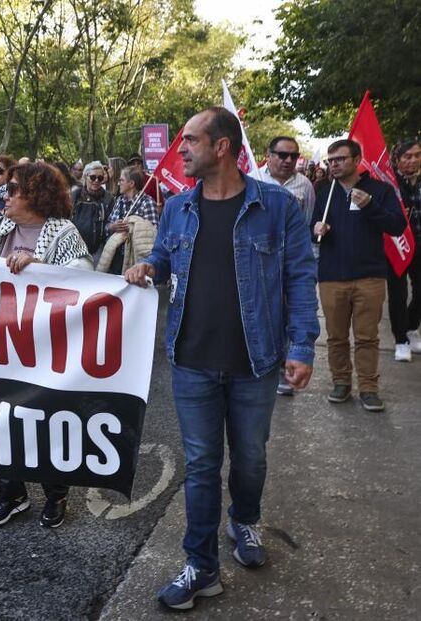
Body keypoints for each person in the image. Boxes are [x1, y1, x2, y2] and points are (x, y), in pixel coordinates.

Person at [125, 107, 319, 610]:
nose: (180, 149)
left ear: (222, 147)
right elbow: (167, 259)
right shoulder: (177, 208)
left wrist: (301, 348)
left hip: (256, 362)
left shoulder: (277, 207)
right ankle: (201, 566)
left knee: (251, 459)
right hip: (191, 360)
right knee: (202, 464)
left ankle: (245, 521)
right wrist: (148, 265)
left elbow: (300, 278)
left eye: (190, 140)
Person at [0, 160, 92, 529]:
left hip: (42, 350)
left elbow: (85, 274)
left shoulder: (62, 232)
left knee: (43, 420)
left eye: (13, 189)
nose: (4, 194)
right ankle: (11, 492)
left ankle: (55, 493)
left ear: (36, 196)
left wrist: (40, 266)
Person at [312, 139, 407, 410]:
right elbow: (311, 227)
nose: (335, 165)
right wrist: (316, 228)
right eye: (331, 161)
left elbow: (397, 226)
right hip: (332, 276)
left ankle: (368, 387)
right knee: (336, 336)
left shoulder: (379, 190)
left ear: (357, 160)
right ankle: (341, 382)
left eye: (340, 159)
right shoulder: (323, 192)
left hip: (369, 276)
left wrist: (370, 206)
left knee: (367, 337)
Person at [259, 136, 317, 394]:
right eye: (282, 155)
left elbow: (305, 223)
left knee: (289, 311)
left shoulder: (304, 185)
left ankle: (286, 368)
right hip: (261, 260)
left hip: (291, 259)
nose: (288, 161)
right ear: (268, 155)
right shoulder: (253, 179)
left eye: (293, 156)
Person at [387, 139, 421, 361]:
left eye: (417, 155)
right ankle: (401, 340)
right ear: (397, 159)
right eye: (407, 156)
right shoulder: (389, 182)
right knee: (397, 294)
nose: (413, 160)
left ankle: (411, 326)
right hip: (396, 243)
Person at [96, 165, 159, 274]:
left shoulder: (147, 202)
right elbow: (107, 227)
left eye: (121, 180)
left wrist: (132, 227)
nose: (119, 183)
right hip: (115, 258)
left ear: (131, 183)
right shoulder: (119, 200)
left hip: (135, 260)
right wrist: (112, 227)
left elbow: (152, 234)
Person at [70, 160, 114, 261]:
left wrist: (111, 227)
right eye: (93, 177)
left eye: (100, 178)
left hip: (98, 251)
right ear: (85, 176)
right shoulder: (75, 195)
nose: (96, 181)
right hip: (73, 249)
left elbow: (110, 222)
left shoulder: (109, 198)